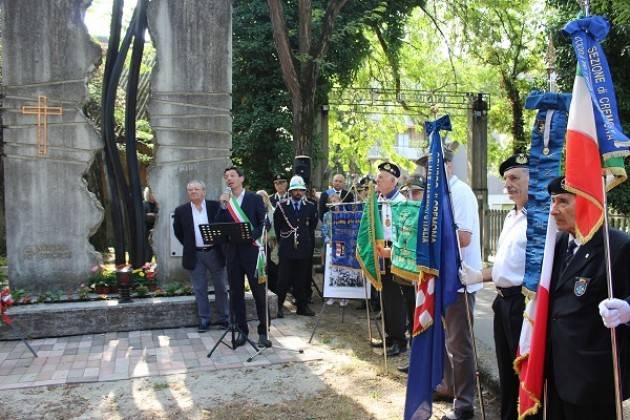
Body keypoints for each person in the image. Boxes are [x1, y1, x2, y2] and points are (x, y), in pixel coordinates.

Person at [543, 176, 630, 419]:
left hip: (593, 380)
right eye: (552, 202)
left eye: (562, 202)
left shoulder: (617, 246)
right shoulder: (558, 244)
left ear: (587, 203)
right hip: (556, 372)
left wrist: (627, 309)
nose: (553, 211)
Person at [460, 153, 530, 420]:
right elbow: (505, 267)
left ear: (530, 179)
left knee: (523, 372)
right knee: (506, 372)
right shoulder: (512, 217)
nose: (508, 184)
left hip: (523, 303)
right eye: (505, 179)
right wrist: (477, 276)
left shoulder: (539, 220)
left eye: (515, 177)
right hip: (503, 302)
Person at [437, 149, 483, 420]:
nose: (429, 171)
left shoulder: (461, 193)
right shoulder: (441, 195)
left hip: (461, 281)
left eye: (434, 164)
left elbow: (463, 238)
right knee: (446, 341)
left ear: (449, 166)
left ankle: (464, 404)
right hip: (445, 280)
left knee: (460, 345)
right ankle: (448, 386)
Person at [216, 167, 271, 348]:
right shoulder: (227, 202)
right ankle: (241, 331)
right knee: (237, 294)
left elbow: (264, 222)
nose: (229, 179)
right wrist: (223, 206)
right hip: (233, 255)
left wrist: (251, 235)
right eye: (226, 177)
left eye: (232, 176)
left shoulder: (254, 198)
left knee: (259, 293)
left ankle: (264, 331)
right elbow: (218, 225)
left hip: (252, 253)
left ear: (241, 178)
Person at [173, 180, 229, 333]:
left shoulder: (214, 206)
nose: (193, 192)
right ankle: (204, 319)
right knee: (199, 289)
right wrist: (190, 245)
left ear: (204, 191)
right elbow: (178, 232)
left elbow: (223, 226)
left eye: (196, 189)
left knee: (221, 287)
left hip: (214, 252)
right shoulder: (181, 211)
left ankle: (224, 317)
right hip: (195, 254)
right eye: (190, 190)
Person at [374, 161, 412, 357]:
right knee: (384, 296)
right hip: (380, 252)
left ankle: (400, 340)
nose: (377, 180)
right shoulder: (377, 201)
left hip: (396, 254)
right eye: (378, 177)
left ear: (392, 181)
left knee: (396, 298)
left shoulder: (402, 203)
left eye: (381, 178)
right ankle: (389, 335)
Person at [274, 175, 318, 317]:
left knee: (302, 279)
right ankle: (278, 306)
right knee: (283, 279)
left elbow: (311, 227)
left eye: (301, 190)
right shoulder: (281, 206)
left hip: (303, 248)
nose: (298, 193)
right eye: (295, 190)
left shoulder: (311, 206)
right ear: (291, 191)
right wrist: (284, 241)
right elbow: (277, 227)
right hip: (287, 248)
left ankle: (302, 307)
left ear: (304, 191)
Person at [257, 190, 279, 294]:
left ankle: (273, 292)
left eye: (263, 197)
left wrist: (268, 237)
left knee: (271, 270)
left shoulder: (274, 212)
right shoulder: (254, 212)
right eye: (258, 198)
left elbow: (277, 230)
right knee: (261, 270)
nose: (261, 200)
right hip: (258, 246)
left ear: (267, 198)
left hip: (271, 245)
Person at [143, 187, 159, 262]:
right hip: (147, 231)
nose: (153, 195)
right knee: (148, 253)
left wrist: (152, 215)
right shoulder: (144, 204)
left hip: (158, 231)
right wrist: (154, 216)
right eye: (151, 193)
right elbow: (144, 217)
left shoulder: (158, 205)